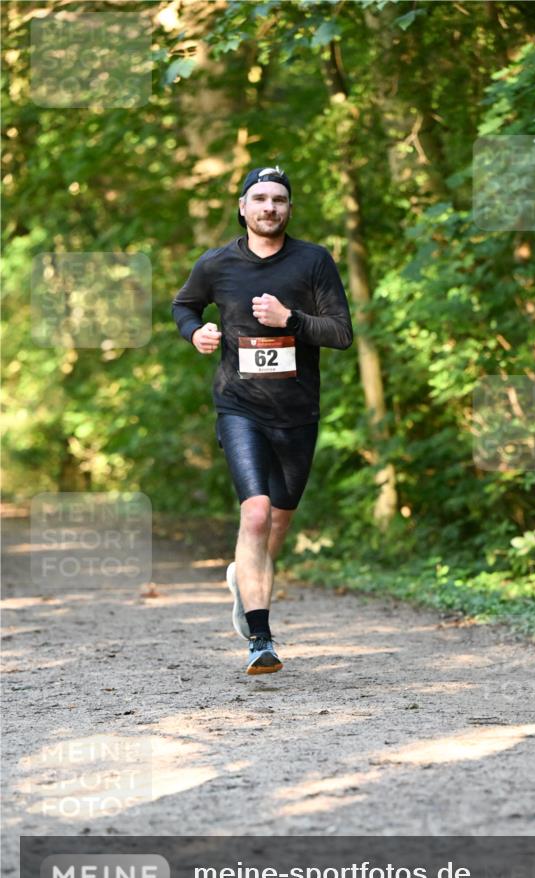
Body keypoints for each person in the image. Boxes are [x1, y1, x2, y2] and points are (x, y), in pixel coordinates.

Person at [172, 165, 354, 675]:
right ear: (242, 207)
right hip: (240, 406)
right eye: (260, 198)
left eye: (279, 199)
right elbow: (184, 305)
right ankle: (261, 638)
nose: (269, 207)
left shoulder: (314, 261)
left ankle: (244, 578)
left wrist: (290, 320)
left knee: (277, 523)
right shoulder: (217, 264)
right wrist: (195, 333)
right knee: (254, 512)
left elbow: (341, 333)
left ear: (289, 209)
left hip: (297, 412)